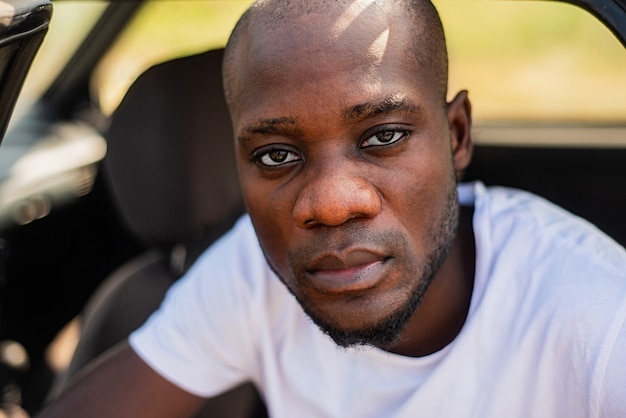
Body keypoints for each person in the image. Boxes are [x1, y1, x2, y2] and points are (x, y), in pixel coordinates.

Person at [37, 0, 626, 417]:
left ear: (456, 136)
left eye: (384, 137)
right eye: (275, 155)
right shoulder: (249, 270)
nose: (332, 204)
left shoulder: (597, 322)